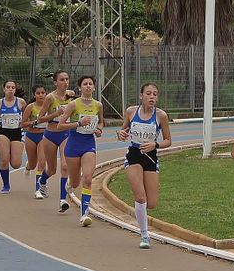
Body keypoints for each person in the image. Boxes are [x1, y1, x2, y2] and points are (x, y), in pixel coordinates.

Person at [117, 82, 171, 249]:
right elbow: (122, 132)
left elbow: (168, 141)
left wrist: (155, 144)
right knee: (141, 197)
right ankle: (144, 235)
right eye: (148, 93)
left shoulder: (161, 116)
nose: (152, 97)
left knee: (151, 203)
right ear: (141, 96)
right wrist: (121, 134)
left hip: (150, 156)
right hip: (134, 154)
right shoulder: (131, 112)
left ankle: (139, 210)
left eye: (155, 94)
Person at [55, 75, 104, 225]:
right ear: (80, 87)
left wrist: (99, 130)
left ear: (94, 87)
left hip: (88, 144)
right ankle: (70, 182)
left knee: (87, 179)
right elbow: (60, 125)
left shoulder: (98, 105)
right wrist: (78, 124)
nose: (88, 86)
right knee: (76, 183)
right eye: (85, 84)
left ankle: (84, 215)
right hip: (73, 145)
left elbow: (101, 122)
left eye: (90, 84)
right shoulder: (73, 105)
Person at [0, 80, 26, 194]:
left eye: (13, 87)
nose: (10, 89)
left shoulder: (21, 102)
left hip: (17, 132)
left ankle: (14, 151)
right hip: (3, 132)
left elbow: (27, 115)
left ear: (15, 89)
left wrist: (25, 122)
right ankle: (6, 185)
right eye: (8, 87)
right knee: (4, 160)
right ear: (4, 89)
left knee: (16, 164)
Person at [37, 70, 72, 200]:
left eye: (67, 79)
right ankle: (42, 181)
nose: (65, 82)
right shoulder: (50, 98)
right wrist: (56, 114)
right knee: (51, 170)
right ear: (55, 82)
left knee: (65, 166)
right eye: (62, 80)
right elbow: (40, 119)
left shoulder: (71, 95)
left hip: (66, 134)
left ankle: (63, 200)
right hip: (51, 135)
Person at [21, 82, 49, 193]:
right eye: (38, 93)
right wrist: (34, 122)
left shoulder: (49, 106)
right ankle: (28, 166)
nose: (41, 95)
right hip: (31, 136)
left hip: (44, 136)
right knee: (33, 164)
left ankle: (38, 189)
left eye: (43, 93)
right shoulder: (30, 107)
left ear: (46, 94)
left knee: (42, 162)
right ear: (34, 95)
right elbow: (22, 124)